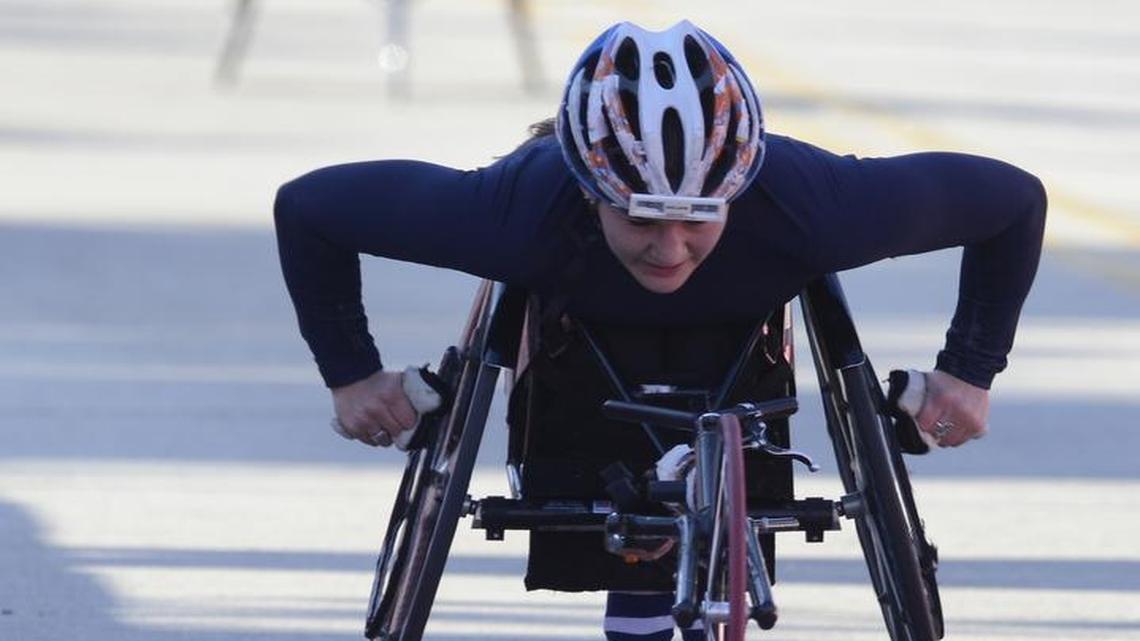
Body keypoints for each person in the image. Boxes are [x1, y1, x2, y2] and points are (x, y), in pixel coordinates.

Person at [274, 20, 1046, 641]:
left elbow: (1013, 202)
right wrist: (352, 373)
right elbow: (309, 209)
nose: (669, 248)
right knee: (609, 472)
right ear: (588, 190)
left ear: (735, 191)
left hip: (743, 333)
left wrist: (969, 369)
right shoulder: (514, 212)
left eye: (697, 218)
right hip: (578, 337)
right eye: (641, 217)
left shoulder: (814, 203)